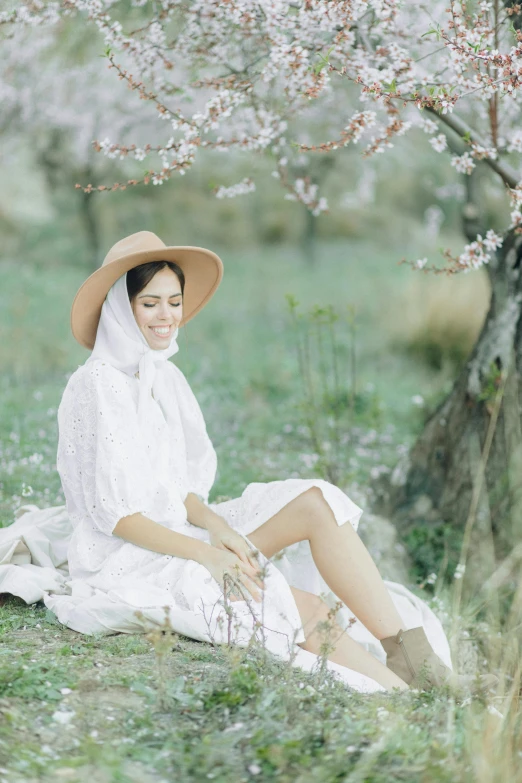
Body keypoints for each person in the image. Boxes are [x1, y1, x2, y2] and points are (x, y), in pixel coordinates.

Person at [0, 231, 497, 696]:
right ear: (121, 309)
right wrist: (207, 556)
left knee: (315, 501)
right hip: (129, 554)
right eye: (149, 303)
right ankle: (404, 701)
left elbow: (179, 491)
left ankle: (410, 657)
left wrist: (220, 529)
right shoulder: (96, 385)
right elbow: (120, 517)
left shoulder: (162, 378)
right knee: (303, 608)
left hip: (183, 531)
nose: (166, 316)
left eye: (174, 303)